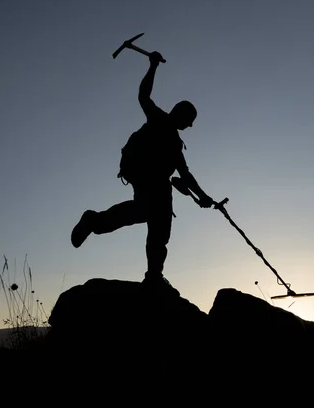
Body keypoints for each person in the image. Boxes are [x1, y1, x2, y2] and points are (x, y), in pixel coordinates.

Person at [70, 51, 214, 295]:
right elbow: (143, 95)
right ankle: (152, 274)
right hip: (149, 179)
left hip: (149, 179)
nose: (190, 126)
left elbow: (185, 174)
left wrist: (202, 196)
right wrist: (153, 66)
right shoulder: (159, 119)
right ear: (181, 114)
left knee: (148, 217)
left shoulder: (175, 142)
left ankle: (150, 272)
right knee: (156, 221)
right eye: (190, 120)